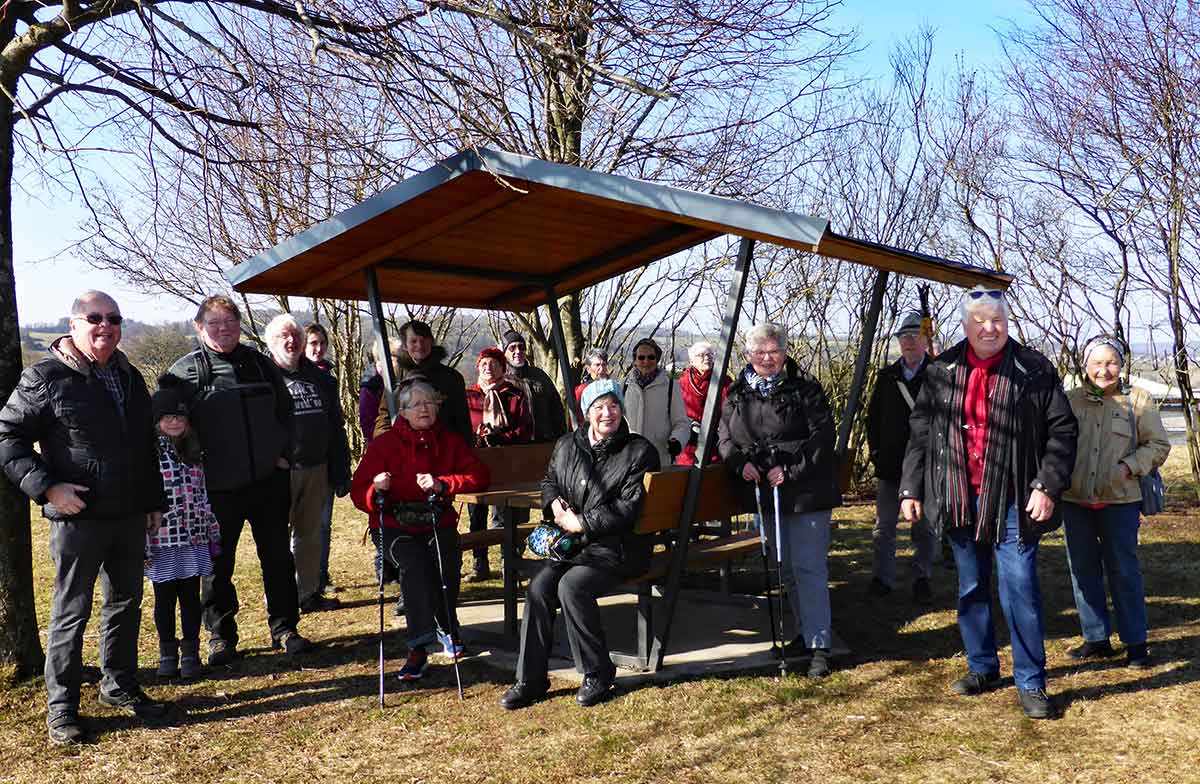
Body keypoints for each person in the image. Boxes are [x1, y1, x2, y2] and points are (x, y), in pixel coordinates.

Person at [900, 286, 1078, 720]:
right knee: (971, 587)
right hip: (960, 495)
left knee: (1019, 588)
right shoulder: (942, 370)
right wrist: (911, 488)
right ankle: (982, 667)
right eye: (979, 320)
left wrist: (1047, 485)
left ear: (1007, 323)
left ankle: (1031, 682)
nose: (989, 328)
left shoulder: (1033, 370)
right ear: (965, 326)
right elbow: (921, 431)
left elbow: (1063, 432)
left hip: (1017, 496)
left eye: (996, 320)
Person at [0, 291, 169, 745]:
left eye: (113, 318)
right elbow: (8, 439)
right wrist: (47, 487)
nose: (105, 325)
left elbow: (144, 448)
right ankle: (62, 709)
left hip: (129, 514)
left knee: (125, 604)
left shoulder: (129, 376)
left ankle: (119, 685)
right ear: (74, 325)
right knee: (70, 612)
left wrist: (153, 501)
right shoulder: (44, 377)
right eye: (94, 318)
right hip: (78, 519)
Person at [166, 295, 312, 665]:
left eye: (229, 323)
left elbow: (287, 412)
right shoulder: (183, 374)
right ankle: (221, 636)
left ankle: (285, 628)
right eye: (213, 324)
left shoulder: (261, 366)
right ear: (199, 328)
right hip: (215, 489)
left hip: (267, 482)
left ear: (239, 326)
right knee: (217, 566)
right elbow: (165, 428)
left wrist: (285, 454)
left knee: (278, 558)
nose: (223, 330)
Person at [500, 379, 660, 710]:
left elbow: (629, 508)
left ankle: (598, 673)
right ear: (587, 413)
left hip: (618, 548)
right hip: (572, 546)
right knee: (540, 586)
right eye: (599, 407)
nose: (607, 413)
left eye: (614, 406)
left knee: (571, 587)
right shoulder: (567, 445)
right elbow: (549, 481)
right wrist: (555, 503)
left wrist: (583, 522)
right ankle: (530, 678)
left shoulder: (639, 451)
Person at [718, 323, 841, 679]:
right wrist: (741, 465)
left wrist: (792, 469)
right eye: (759, 352)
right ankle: (803, 633)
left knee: (809, 567)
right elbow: (724, 439)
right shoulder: (737, 394)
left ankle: (820, 645)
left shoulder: (805, 390)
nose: (766, 358)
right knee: (784, 567)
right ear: (747, 355)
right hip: (763, 493)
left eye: (773, 351)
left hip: (805, 491)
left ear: (784, 353)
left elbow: (823, 436)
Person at [351, 379, 490, 681]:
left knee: (446, 563)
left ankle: (447, 627)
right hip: (393, 525)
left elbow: (478, 475)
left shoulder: (450, 441)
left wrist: (444, 483)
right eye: (417, 404)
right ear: (402, 411)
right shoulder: (384, 445)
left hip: (435, 521)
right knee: (414, 564)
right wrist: (376, 489)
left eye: (430, 403)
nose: (425, 409)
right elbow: (357, 491)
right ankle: (418, 647)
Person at [1061, 336, 1171, 668]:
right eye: (1096, 363)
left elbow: (1159, 446)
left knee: (1124, 571)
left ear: (1121, 365)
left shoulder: (1138, 401)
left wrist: (1129, 466)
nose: (1103, 370)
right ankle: (1095, 638)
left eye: (1110, 362)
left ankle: (1136, 642)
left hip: (1121, 501)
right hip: (1075, 499)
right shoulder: (1069, 401)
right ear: (1085, 365)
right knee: (1082, 570)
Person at [265, 315, 351, 614]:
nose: (291, 341)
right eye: (283, 337)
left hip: (317, 468)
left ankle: (308, 594)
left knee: (310, 536)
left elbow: (336, 426)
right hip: (279, 473)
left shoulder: (321, 379)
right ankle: (280, 599)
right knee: (276, 541)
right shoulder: (263, 378)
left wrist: (340, 469)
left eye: (295, 336)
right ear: (271, 342)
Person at [145, 374, 221, 681]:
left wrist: (212, 532)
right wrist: (143, 543)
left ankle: (191, 652)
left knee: (191, 597)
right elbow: (144, 501)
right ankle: (167, 652)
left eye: (179, 417)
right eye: (167, 418)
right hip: (161, 541)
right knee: (164, 598)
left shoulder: (193, 455)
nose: (175, 423)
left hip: (193, 538)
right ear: (156, 421)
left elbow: (203, 497)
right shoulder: (149, 457)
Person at [865, 311, 935, 604]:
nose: (908, 342)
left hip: (927, 467)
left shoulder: (939, 375)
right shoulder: (887, 377)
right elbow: (873, 419)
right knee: (884, 526)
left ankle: (922, 577)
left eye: (914, 336)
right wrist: (879, 456)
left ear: (925, 340)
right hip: (892, 466)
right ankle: (883, 578)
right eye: (903, 336)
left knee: (925, 528)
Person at [464, 347, 533, 581]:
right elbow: (460, 426)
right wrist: (475, 438)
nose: (488, 368)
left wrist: (502, 437)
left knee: (506, 516)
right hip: (475, 462)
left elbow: (525, 429)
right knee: (477, 515)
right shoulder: (468, 397)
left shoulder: (514, 395)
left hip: (506, 464)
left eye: (493, 364)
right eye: (484, 364)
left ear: (502, 368)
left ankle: (510, 562)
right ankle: (479, 563)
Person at [372, 320, 471, 443]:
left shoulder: (452, 378)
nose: (419, 345)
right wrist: (383, 444)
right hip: (404, 449)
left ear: (431, 342)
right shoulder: (395, 376)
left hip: (443, 449)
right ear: (405, 345)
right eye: (413, 341)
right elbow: (385, 416)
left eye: (424, 340)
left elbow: (462, 421)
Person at [304, 321, 339, 594]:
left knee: (324, 525)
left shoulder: (330, 379)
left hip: (326, 463)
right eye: (313, 343)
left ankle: (321, 574)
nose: (318, 348)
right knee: (303, 527)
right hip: (300, 464)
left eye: (322, 343)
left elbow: (336, 425)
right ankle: (303, 579)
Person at [623, 337, 690, 467]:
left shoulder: (671, 387)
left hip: (660, 458)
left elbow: (682, 423)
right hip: (628, 460)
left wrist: (677, 440)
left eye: (651, 357)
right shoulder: (624, 386)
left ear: (657, 359)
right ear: (635, 360)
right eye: (641, 357)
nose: (646, 361)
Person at [502, 329, 568, 442]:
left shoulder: (540, 375)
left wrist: (562, 439)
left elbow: (557, 409)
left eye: (521, 347)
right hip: (515, 445)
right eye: (512, 347)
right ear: (504, 352)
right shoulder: (501, 380)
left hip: (545, 441)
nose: (518, 351)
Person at [676, 340, 732, 466]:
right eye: (701, 355)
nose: (706, 358)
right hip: (689, 447)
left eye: (710, 355)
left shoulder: (725, 382)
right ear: (691, 361)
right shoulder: (681, 384)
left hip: (717, 445)